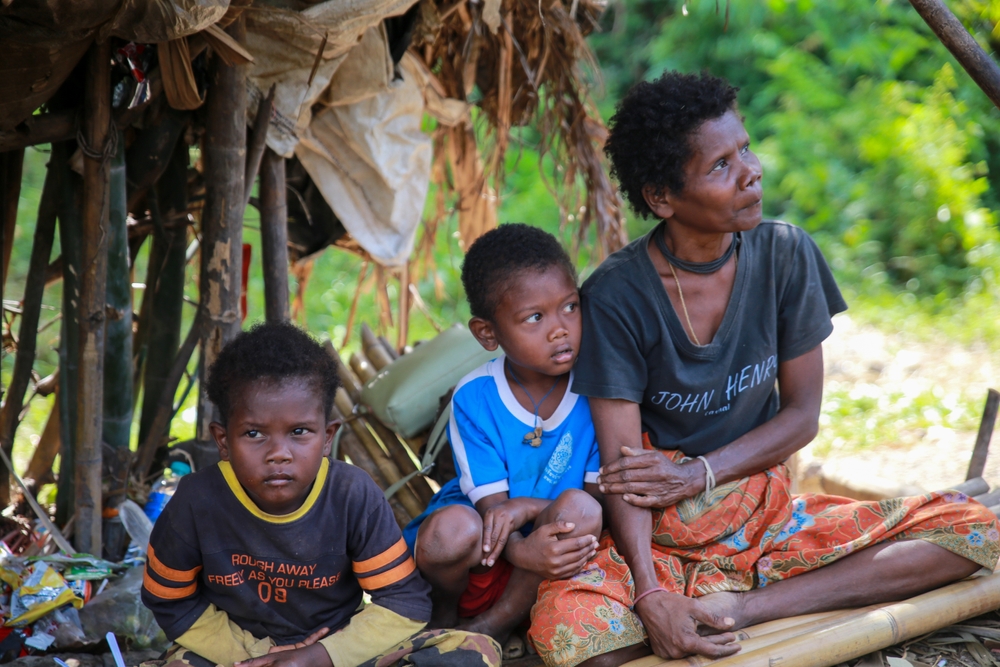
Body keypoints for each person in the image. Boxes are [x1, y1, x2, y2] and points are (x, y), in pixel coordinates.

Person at [527, 71, 1000, 667]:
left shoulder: (785, 254)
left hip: (765, 512)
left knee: (971, 530)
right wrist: (648, 593)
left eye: (744, 148)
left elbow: (802, 416)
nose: (751, 170)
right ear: (661, 198)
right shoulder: (618, 295)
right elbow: (626, 474)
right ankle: (680, 602)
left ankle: (742, 605)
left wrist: (702, 473)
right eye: (721, 165)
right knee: (570, 635)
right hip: (661, 532)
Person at [141, 322, 501, 667]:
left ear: (328, 437)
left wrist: (319, 658)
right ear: (223, 440)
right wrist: (255, 657)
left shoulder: (352, 494)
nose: (278, 452)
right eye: (254, 434)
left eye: (299, 431)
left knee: (472, 650)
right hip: (233, 650)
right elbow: (170, 601)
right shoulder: (196, 501)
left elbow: (404, 602)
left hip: (334, 650)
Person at [406, 224, 603, 649]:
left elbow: (596, 499)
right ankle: (445, 615)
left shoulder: (599, 387)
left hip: (555, 548)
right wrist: (517, 547)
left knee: (580, 511)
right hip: (486, 546)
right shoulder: (475, 397)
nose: (559, 329)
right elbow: (494, 509)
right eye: (535, 317)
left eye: (569, 307)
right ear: (488, 333)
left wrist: (529, 508)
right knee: (447, 531)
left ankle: (496, 624)